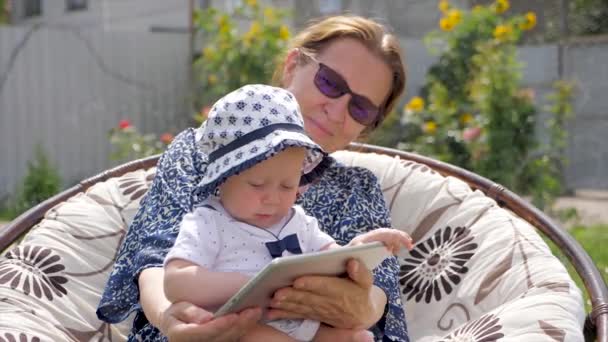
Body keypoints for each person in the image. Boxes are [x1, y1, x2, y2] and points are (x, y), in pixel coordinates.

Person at [97, 14, 409, 341]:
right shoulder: (203, 152)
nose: (336, 110)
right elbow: (155, 262)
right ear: (292, 66)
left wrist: (361, 306)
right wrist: (172, 320)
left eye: (360, 108)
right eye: (329, 83)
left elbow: (379, 293)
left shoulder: (356, 188)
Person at [163, 84, 413, 342]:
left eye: (287, 185)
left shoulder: (298, 221)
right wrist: (246, 284)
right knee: (252, 334)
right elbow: (175, 282)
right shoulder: (209, 222)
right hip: (239, 327)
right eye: (257, 184)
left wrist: (360, 248)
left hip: (300, 324)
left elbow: (332, 259)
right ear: (223, 178)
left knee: (357, 337)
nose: (272, 198)